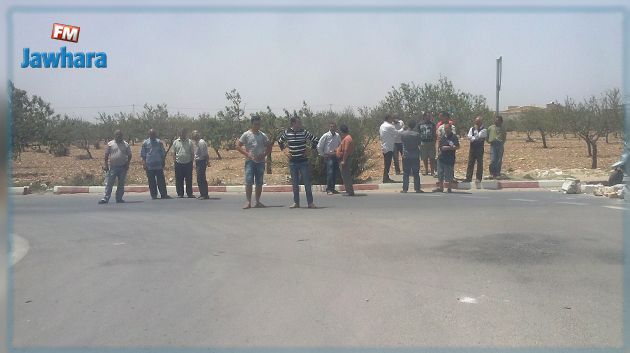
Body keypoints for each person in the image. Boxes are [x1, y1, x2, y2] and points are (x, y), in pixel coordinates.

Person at [278, 116, 319, 209]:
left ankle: (310, 203)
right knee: (295, 183)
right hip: (293, 162)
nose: (300, 124)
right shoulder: (287, 133)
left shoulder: (304, 132)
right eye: (298, 122)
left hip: (303, 161)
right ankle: (296, 202)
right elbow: (280, 142)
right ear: (293, 123)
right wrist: (285, 151)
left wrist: (309, 150)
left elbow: (316, 140)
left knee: (307, 183)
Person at [237, 115, 273, 209]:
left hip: (260, 162)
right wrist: (247, 154)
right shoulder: (246, 134)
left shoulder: (263, 135)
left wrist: (264, 154)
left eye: (259, 124)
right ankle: (248, 202)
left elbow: (269, 146)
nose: (257, 126)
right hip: (250, 161)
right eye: (256, 124)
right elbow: (238, 146)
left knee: (259, 182)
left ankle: (257, 201)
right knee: (249, 181)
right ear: (252, 124)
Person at [99, 129, 132, 204]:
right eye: (117, 135)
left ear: (122, 136)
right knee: (109, 183)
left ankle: (119, 198)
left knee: (121, 184)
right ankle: (105, 198)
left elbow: (129, 155)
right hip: (113, 167)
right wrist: (106, 165)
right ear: (115, 135)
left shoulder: (126, 144)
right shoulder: (110, 144)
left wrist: (127, 164)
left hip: (122, 167)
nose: (118, 136)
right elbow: (106, 156)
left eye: (120, 135)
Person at [140, 129, 171, 200]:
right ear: (149, 134)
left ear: (155, 134)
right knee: (151, 181)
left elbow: (162, 153)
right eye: (151, 134)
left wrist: (163, 161)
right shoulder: (145, 143)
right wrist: (144, 164)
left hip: (158, 165)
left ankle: (164, 194)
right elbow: (143, 155)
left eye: (153, 134)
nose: (152, 135)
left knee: (161, 181)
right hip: (149, 165)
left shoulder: (159, 142)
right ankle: (154, 195)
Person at [317, 122, 341, 195]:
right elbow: (319, 146)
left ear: (336, 127)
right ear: (329, 127)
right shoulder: (326, 135)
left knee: (335, 173)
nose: (332, 128)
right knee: (330, 173)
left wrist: (338, 152)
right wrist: (323, 155)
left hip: (335, 156)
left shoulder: (337, 135)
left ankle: (333, 189)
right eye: (331, 127)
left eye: (334, 126)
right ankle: (328, 189)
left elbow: (340, 145)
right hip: (328, 157)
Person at [434, 124, 460, 193]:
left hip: (449, 158)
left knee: (449, 174)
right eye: (445, 129)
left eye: (447, 128)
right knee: (440, 173)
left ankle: (449, 188)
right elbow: (440, 146)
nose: (446, 130)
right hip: (441, 158)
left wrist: (448, 148)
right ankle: (441, 188)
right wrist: (438, 154)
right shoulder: (443, 137)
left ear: (450, 129)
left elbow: (457, 147)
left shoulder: (454, 137)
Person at [400, 120, 423, 193]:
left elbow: (403, 143)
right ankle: (417, 188)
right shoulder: (417, 134)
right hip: (415, 155)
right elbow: (420, 144)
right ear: (414, 126)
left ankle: (405, 189)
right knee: (416, 173)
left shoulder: (403, 134)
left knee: (406, 173)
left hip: (406, 155)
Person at [172, 128, 194, 198]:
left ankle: (189, 193)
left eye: (183, 133)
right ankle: (180, 193)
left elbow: (192, 153)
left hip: (188, 163)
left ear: (185, 134)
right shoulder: (175, 142)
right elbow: (174, 153)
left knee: (189, 179)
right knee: (179, 179)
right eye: (181, 133)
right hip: (178, 163)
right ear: (179, 134)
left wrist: (192, 162)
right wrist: (175, 162)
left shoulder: (190, 142)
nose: (182, 134)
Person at [465, 117, 488, 183]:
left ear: (481, 122)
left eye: (477, 122)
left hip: (479, 148)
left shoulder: (484, 130)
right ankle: (468, 178)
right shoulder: (471, 128)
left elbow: (478, 136)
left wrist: (474, 135)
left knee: (479, 163)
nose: (476, 123)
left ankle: (478, 178)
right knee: (470, 163)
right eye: (475, 122)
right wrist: (474, 138)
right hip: (472, 148)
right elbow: (469, 137)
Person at [336, 124, 355, 196]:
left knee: (346, 175)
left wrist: (344, 160)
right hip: (345, 158)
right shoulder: (347, 138)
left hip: (345, 159)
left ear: (341, 131)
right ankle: (348, 191)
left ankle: (350, 191)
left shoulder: (347, 139)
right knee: (345, 175)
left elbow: (346, 150)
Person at [379, 114, 398, 183]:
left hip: (385, 146)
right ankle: (385, 178)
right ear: (388, 119)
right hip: (389, 147)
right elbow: (397, 133)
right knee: (387, 164)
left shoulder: (382, 125)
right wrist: (403, 128)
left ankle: (386, 177)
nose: (392, 119)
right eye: (391, 118)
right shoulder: (389, 126)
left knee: (387, 163)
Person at [487, 115, 507, 179]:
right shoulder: (490, 128)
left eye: (498, 120)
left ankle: (497, 173)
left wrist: (501, 142)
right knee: (493, 160)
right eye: (495, 120)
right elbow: (487, 135)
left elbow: (504, 137)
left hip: (500, 145)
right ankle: (492, 173)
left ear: (501, 121)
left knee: (499, 160)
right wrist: (489, 141)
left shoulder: (503, 128)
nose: (496, 121)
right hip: (493, 145)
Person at [192, 130, 210, 200]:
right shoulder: (196, 142)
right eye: (193, 134)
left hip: (201, 161)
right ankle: (202, 193)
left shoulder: (201, 142)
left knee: (201, 178)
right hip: (198, 161)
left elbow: (204, 154)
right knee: (199, 179)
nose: (194, 135)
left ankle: (205, 194)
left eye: (196, 134)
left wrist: (207, 162)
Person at [418, 112, 437, 176]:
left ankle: (432, 171)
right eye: (427, 116)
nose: (428, 117)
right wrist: (419, 142)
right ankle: (426, 170)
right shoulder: (420, 124)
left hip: (431, 143)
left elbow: (435, 133)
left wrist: (434, 141)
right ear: (424, 117)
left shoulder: (433, 124)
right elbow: (418, 133)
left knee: (432, 157)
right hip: (423, 143)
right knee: (424, 157)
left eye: (429, 116)